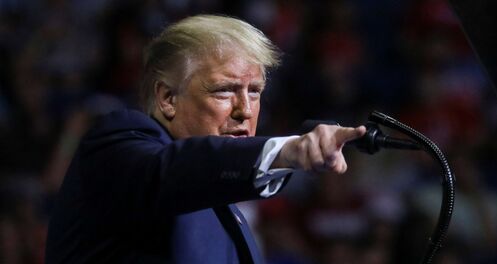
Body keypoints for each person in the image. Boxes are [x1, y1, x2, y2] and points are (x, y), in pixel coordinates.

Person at [45, 14, 366, 263]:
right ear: (168, 98)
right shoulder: (118, 145)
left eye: (254, 92)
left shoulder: (224, 204)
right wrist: (285, 150)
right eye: (224, 90)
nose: (245, 110)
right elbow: (173, 170)